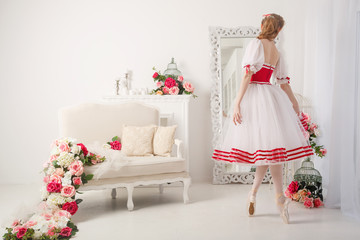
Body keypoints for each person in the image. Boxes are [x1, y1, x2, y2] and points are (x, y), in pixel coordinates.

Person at [212, 13, 313, 224]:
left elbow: (248, 75)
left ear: (262, 25)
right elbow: (283, 82)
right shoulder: (276, 51)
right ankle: (273, 198)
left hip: (255, 98)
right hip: (271, 97)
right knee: (270, 150)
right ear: (278, 30)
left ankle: (259, 195)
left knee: (267, 151)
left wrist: (237, 102)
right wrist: (293, 102)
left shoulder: (255, 44)